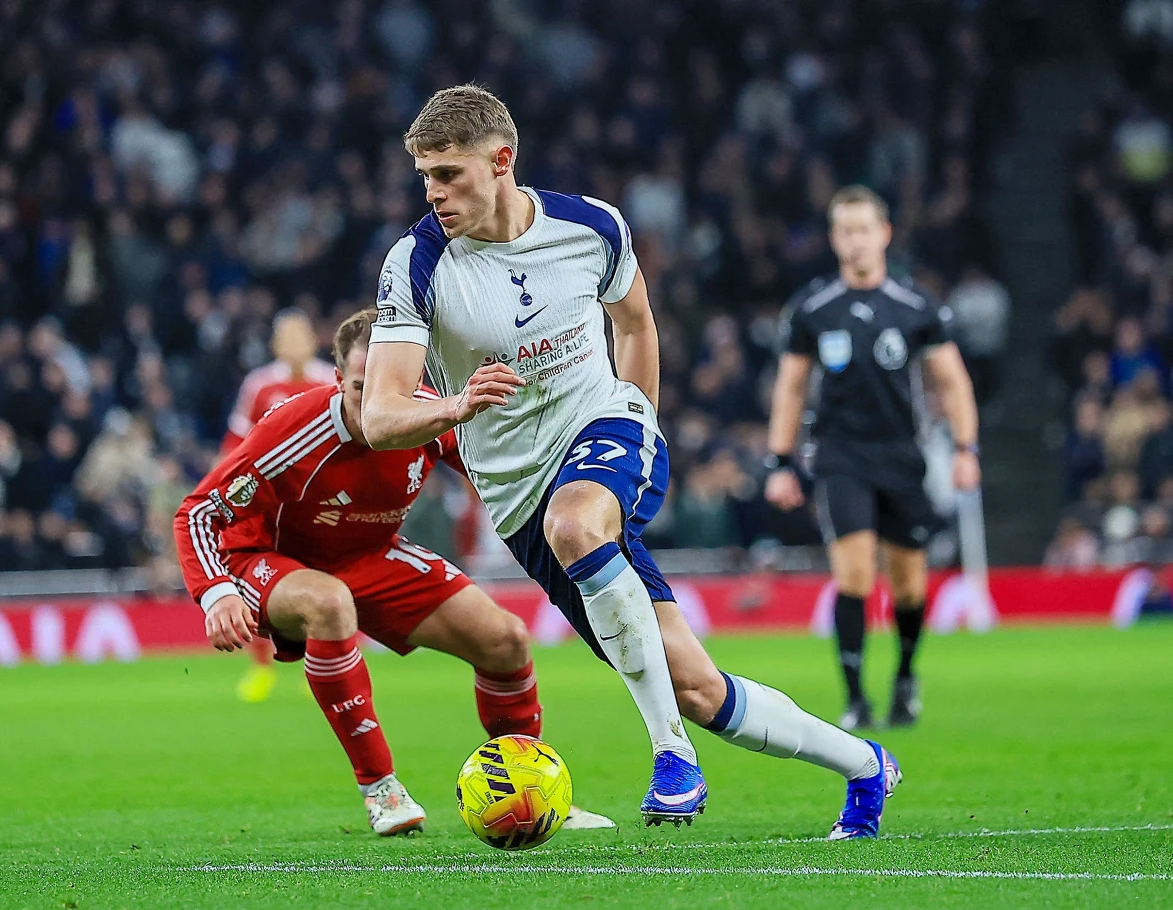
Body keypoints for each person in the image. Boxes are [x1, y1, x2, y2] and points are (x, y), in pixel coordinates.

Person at [362, 84, 900, 839]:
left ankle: (670, 756)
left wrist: (638, 415)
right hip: (519, 500)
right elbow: (381, 415)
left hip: (605, 429)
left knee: (577, 522)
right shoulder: (417, 262)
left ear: (501, 161)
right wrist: (451, 408)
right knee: (696, 685)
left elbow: (637, 324)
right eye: (424, 176)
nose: (433, 192)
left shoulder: (591, 226)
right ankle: (866, 767)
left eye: (448, 174)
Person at [174, 309, 612, 836]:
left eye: (390, 385)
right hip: (269, 558)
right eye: (361, 387)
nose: (376, 401)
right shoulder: (290, 429)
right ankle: (380, 788)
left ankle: (534, 794)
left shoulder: (429, 416)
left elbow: (496, 473)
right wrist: (216, 592)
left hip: (369, 553)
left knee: (506, 641)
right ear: (337, 380)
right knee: (330, 601)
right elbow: (197, 510)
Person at [764, 185, 982, 730]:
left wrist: (965, 449)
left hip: (901, 456)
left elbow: (952, 382)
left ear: (883, 234)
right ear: (834, 239)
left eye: (864, 230)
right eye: (845, 231)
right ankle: (856, 696)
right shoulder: (813, 309)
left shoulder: (916, 306)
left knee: (909, 583)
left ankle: (906, 675)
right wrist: (781, 461)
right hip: (840, 456)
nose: (855, 241)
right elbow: (791, 388)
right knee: (855, 574)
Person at [220, 308, 334, 704]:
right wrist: (225, 483)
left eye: (299, 335)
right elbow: (236, 441)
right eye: (285, 337)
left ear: (313, 339)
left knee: (323, 583)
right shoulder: (259, 385)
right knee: (255, 579)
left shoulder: (329, 379)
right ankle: (261, 667)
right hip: (268, 500)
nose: (293, 343)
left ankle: (321, 665)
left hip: (319, 499)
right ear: (275, 344)